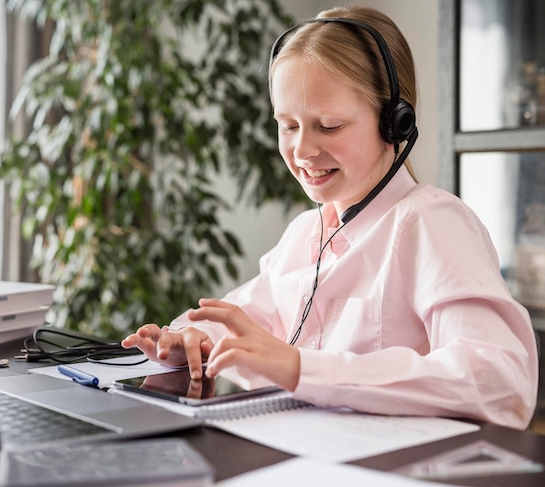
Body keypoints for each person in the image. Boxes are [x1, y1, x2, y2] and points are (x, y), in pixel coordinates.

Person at [122, 5, 539, 430]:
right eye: (288, 125)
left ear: (396, 122)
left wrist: (304, 368)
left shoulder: (431, 223)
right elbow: (244, 320)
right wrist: (191, 341)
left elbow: (500, 382)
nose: (302, 151)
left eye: (329, 125)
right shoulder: (306, 233)